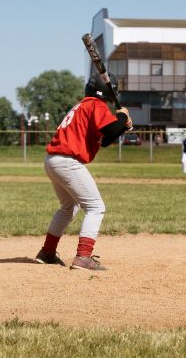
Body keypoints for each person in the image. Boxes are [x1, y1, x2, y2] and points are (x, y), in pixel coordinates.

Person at [34, 75, 132, 271]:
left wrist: (122, 126)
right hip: (67, 161)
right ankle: (83, 257)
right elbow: (111, 127)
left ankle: (47, 252)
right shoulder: (96, 104)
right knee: (96, 207)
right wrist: (122, 117)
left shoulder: (84, 104)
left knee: (68, 208)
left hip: (53, 160)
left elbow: (105, 138)